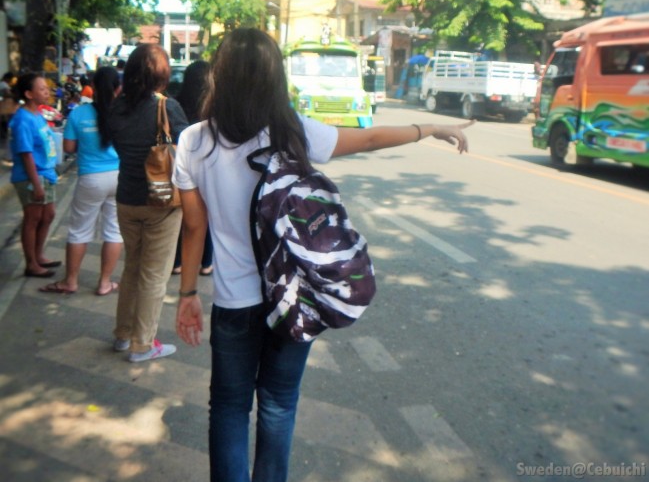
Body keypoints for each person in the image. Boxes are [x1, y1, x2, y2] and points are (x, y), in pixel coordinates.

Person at [173, 28, 473, 482]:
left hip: (234, 304)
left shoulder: (194, 141)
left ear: (220, 75)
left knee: (229, 408)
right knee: (277, 404)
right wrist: (429, 128)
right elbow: (369, 139)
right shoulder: (294, 133)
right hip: (294, 299)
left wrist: (188, 293)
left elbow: (194, 226)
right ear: (276, 78)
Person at [108, 44, 188, 362]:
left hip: (126, 198)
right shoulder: (167, 107)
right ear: (162, 72)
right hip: (161, 202)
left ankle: (122, 335)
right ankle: (143, 344)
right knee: (154, 274)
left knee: (132, 268)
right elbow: (186, 152)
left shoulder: (116, 107)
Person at [39, 67, 123, 295]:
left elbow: (68, 148)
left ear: (92, 87)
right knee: (114, 231)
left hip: (90, 178)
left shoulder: (78, 113)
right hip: (119, 178)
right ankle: (105, 283)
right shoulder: (124, 112)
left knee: (79, 231)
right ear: (118, 88)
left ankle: (71, 281)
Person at [9, 73, 60, 278]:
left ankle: (38, 256)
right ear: (29, 94)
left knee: (48, 215)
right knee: (33, 218)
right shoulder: (22, 119)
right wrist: (36, 185)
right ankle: (31, 264)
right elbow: (26, 154)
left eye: (46, 87)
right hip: (32, 176)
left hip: (46, 174)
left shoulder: (37, 114)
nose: (46, 91)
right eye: (41, 88)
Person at [171, 60, 214, 276]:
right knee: (208, 214)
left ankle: (178, 262)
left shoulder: (176, 102)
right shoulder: (215, 104)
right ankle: (206, 263)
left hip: (183, 164)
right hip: (210, 165)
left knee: (184, 215)